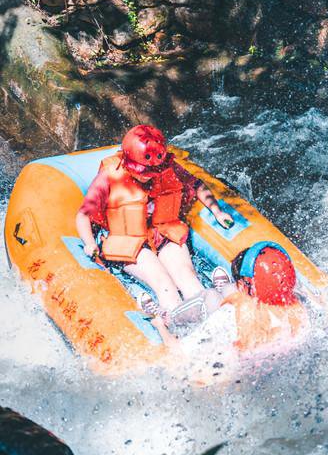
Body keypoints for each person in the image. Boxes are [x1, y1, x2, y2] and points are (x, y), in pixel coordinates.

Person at [75, 125, 233, 330]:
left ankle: (216, 316)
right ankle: (179, 327)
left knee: (187, 276)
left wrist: (217, 211)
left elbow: (196, 185)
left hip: (162, 232)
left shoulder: (167, 167)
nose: (150, 175)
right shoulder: (109, 175)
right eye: (145, 172)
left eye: (154, 171)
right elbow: (83, 215)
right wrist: (89, 243)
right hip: (128, 240)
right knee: (164, 284)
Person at [211, 242, 309, 351]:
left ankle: (225, 288)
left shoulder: (233, 314)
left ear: (242, 286)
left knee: (212, 295)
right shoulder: (301, 308)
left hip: (241, 356)